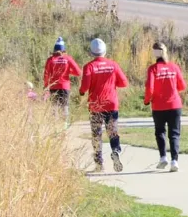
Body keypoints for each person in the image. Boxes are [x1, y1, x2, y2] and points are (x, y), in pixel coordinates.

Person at [79, 38, 129, 172]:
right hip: (111, 104)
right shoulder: (113, 65)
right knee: (112, 131)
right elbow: (124, 82)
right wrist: (112, 84)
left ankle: (99, 163)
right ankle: (115, 151)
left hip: (95, 106)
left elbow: (85, 86)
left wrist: (82, 92)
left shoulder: (89, 66)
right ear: (105, 51)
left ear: (91, 52)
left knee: (96, 134)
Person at [144, 41, 187, 172]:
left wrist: (147, 100)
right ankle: (175, 160)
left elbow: (150, 88)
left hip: (158, 106)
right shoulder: (174, 67)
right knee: (174, 133)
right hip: (174, 105)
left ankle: (163, 157)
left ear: (155, 53)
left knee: (160, 132)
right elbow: (182, 86)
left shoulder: (153, 69)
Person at [42, 37, 81, 120]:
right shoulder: (68, 58)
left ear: (54, 49)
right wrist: (68, 72)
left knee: (54, 108)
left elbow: (46, 74)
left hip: (53, 87)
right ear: (64, 50)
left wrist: (46, 86)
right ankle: (65, 128)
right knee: (64, 108)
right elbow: (78, 72)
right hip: (65, 87)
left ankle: (55, 128)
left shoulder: (50, 60)